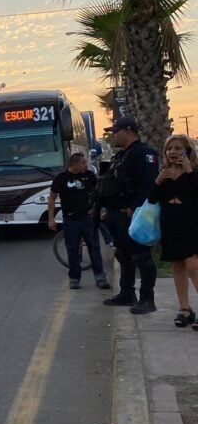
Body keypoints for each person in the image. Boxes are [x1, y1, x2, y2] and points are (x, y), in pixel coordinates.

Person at [99, 116, 160, 314]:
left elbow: (148, 183)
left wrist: (135, 207)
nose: (113, 135)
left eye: (116, 131)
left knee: (141, 256)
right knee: (123, 255)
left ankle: (147, 299)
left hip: (133, 214)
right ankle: (127, 294)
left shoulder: (144, 153)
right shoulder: (121, 156)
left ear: (128, 131)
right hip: (117, 213)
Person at [148, 134, 198, 329]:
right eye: (170, 149)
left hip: (191, 224)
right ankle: (185, 309)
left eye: (178, 148)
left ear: (187, 151)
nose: (173, 152)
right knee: (177, 266)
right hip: (171, 224)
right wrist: (158, 182)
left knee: (193, 265)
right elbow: (152, 199)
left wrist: (189, 172)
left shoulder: (194, 171)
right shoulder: (165, 173)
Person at [47, 153, 110, 290]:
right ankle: (74, 278)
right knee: (73, 250)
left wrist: (100, 210)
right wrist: (51, 219)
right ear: (74, 164)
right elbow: (52, 198)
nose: (85, 166)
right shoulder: (62, 178)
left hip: (88, 220)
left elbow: (100, 192)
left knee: (94, 249)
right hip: (70, 221)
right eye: (82, 163)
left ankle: (100, 277)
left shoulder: (89, 176)